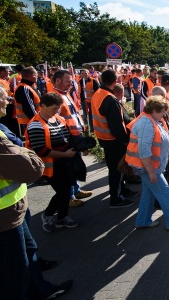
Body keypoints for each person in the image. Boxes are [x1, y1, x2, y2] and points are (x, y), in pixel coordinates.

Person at [0, 86, 74, 300]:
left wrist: (21, 152)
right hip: (0, 218)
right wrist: (24, 153)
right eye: (3, 97)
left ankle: (38, 292)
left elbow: (22, 152)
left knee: (28, 252)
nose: (9, 100)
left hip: (12, 208)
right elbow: (31, 165)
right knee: (10, 275)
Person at [126, 95, 169, 231]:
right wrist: (151, 172)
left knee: (148, 193)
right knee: (165, 193)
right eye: (162, 112)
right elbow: (144, 151)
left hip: (148, 167)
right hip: (148, 168)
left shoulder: (149, 120)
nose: (163, 114)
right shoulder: (146, 124)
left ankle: (143, 221)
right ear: (154, 110)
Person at [25, 93, 80, 232]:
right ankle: (48, 214)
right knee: (62, 191)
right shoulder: (36, 125)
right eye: (54, 108)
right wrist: (65, 154)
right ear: (43, 106)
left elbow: (67, 137)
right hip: (50, 166)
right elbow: (41, 150)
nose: (56, 111)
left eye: (58, 108)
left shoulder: (58, 119)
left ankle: (62, 217)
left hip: (64, 162)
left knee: (66, 190)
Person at [91, 70, 135, 208]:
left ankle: (122, 190)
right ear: (115, 81)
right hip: (114, 140)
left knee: (115, 168)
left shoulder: (98, 93)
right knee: (117, 168)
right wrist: (125, 140)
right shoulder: (110, 99)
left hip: (104, 138)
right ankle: (116, 198)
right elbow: (116, 125)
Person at [51, 70, 93, 207]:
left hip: (74, 137)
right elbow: (54, 120)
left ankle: (76, 190)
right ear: (58, 80)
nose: (71, 84)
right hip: (66, 139)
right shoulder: (55, 97)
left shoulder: (65, 94)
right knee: (69, 169)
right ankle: (69, 197)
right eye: (68, 81)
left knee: (75, 165)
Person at [14, 66, 41, 137]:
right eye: (37, 75)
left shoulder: (29, 86)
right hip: (30, 122)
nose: (37, 77)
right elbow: (28, 107)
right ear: (33, 75)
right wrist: (37, 121)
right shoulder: (24, 88)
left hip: (33, 121)